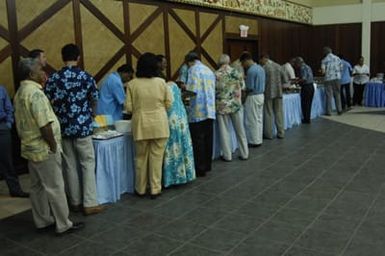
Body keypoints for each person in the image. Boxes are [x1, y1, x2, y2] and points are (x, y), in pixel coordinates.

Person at [14, 58, 84, 234]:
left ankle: (43, 220)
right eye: (40, 69)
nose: (43, 72)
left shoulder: (20, 92)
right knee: (55, 187)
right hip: (44, 148)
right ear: (31, 74)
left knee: (37, 187)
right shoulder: (36, 94)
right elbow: (44, 124)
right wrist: (53, 145)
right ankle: (63, 224)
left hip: (30, 148)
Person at [45, 44, 103, 215]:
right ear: (78, 57)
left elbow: (48, 102)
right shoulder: (86, 77)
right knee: (87, 163)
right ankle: (90, 203)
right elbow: (94, 99)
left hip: (63, 127)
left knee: (69, 165)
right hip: (83, 126)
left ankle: (75, 202)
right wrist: (90, 114)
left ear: (63, 57)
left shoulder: (54, 79)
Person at [125, 52, 172, 199]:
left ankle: (140, 188)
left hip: (140, 125)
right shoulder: (161, 83)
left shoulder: (132, 84)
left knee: (140, 158)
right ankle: (155, 189)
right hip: (160, 124)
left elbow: (128, 108)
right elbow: (169, 103)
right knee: (157, 158)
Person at [185, 52, 216, 177]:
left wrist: (184, 97)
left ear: (189, 62)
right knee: (208, 139)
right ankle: (207, 165)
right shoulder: (209, 70)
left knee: (198, 140)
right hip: (210, 110)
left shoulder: (193, 70)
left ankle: (200, 168)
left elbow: (192, 91)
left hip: (197, 111)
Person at [215, 54, 249, 161]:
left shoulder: (216, 74)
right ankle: (244, 153)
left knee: (224, 131)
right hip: (236, 104)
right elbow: (243, 87)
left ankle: (227, 155)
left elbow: (214, 90)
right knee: (240, 130)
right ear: (229, 62)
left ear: (219, 63)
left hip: (222, 105)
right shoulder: (236, 72)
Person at [163, 81, 196, 187]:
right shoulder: (174, 86)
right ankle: (187, 174)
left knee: (173, 147)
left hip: (171, 117)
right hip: (181, 116)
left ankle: (173, 177)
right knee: (183, 145)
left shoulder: (164, 87)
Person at [0, 85, 28, 197]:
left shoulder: (1, 89)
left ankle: (15, 189)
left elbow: (9, 108)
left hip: (2, 127)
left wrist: (8, 124)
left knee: (7, 161)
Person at [240, 52, 265, 148]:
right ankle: (259, 139)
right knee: (259, 118)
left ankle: (254, 141)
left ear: (246, 60)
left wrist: (244, 91)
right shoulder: (260, 68)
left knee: (252, 120)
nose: (243, 65)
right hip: (261, 95)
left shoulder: (251, 71)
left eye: (243, 63)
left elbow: (250, 87)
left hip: (253, 96)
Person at [260, 54, 287, 139]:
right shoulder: (279, 66)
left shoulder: (264, 68)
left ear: (264, 58)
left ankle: (269, 134)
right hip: (279, 92)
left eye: (261, 60)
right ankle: (281, 132)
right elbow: (285, 79)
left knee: (268, 113)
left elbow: (262, 81)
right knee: (279, 112)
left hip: (268, 93)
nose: (260, 62)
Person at [321, 47, 343, 115]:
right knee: (337, 94)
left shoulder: (324, 60)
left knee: (329, 95)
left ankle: (329, 112)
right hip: (337, 78)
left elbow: (323, 72)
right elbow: (341, 68)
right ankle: (339, 110)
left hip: (328, 79)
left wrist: (323, 72)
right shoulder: (338, 58)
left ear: (325, 52)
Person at [295, 57, 314, 124]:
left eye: (296, 63)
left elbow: (304, 78)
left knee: (305, 104)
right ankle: (307, 118)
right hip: (311, 86)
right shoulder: (308, 66)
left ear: (299, 62)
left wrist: (296, 81)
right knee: (309, 103)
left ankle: (306, 119)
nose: (296, 65)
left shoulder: (302, 68)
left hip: (306, 87)